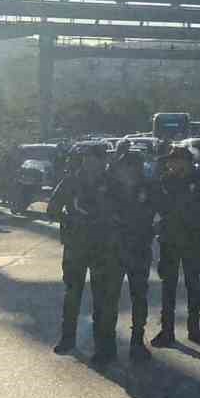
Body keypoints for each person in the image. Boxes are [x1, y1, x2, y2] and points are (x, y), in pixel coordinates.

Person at [47, 147, 116, 361]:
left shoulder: (112, 183)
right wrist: (71, 220)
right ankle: (68, 339)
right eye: (88, 159)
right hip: (76, 246)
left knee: (101, 298)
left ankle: (103, 347)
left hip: (102, 247)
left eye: (96, 159)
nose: (92, 163)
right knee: (72, 294)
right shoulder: (70, 182)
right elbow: (52, 209)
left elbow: (124, 210)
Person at [152, 148, 200, 348]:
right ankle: (167, 331)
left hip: (192, 239)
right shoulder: (164, 181)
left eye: (174, 161)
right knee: (168, 285)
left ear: (186, 162)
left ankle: (194, 329)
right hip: (168, 240)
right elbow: (155, 206)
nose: (170, 165)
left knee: (193, 284)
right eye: (169, 162)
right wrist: (159, 222)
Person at [107, 150, 159, 362]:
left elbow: (163, 210)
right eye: (125, 166)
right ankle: (107, 345)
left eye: (133, 166)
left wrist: (154, 227)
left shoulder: (149, 187)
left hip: (139, 249)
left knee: (139, 297)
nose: (129, 170)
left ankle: (137, 342)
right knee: (109, 297)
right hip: (115, 250)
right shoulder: (111, 188)